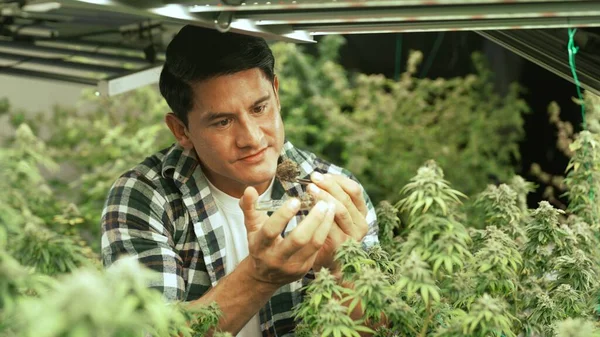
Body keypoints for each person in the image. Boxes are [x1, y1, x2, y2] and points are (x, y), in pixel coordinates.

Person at [100, 24, 379, 337]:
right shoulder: (144, 197)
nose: (252, 138)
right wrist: (260, 277)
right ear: (181, 130)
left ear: (276, 92)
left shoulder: (337, 190)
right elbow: (148, 332)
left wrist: (342, 271)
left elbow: (381, 328)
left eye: (259, 108)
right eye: (222, 121)